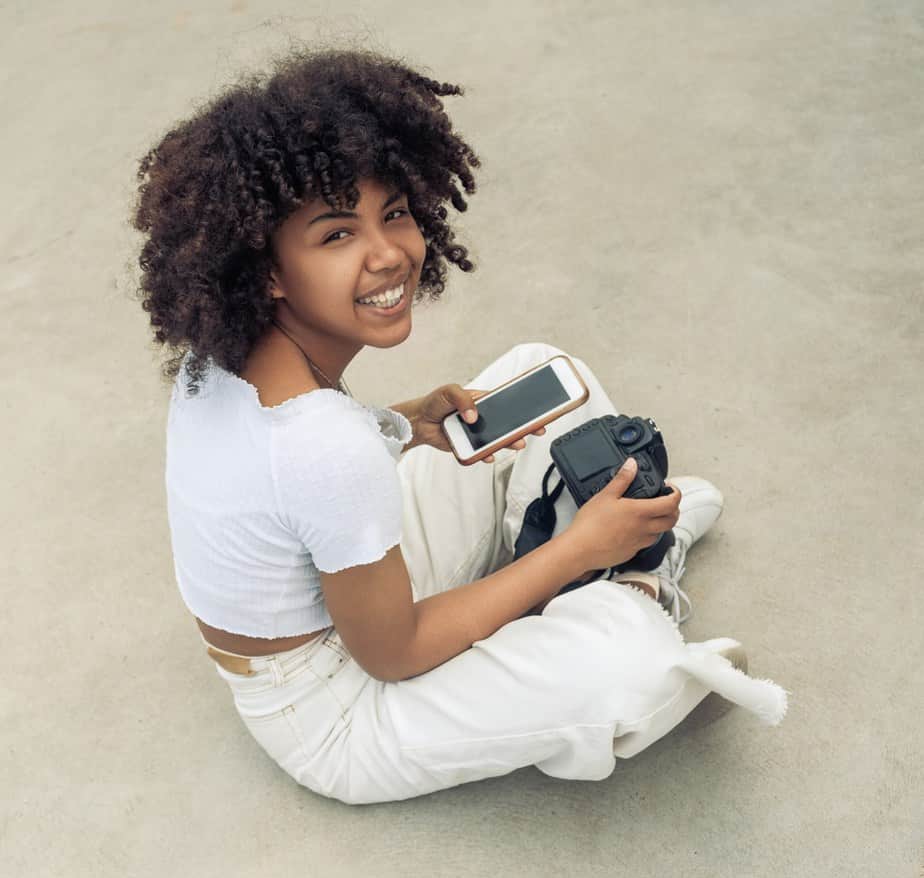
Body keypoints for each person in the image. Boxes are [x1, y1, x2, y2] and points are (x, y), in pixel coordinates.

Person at [132, 46, 787, 805]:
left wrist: (409, 423)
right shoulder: (326, 450)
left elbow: (284, 477)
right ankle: (625, 579)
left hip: (335, 599)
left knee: (542, 371)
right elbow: (393, 651)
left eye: (396, 213)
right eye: (336, 234)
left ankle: (605, 559)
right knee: (629, 665)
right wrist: (579, 547)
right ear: (267, 268)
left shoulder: (223, 359)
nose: (388, 254)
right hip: (335, 710)